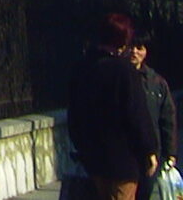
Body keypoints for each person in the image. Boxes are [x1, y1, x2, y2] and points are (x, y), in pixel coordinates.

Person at [68, 12, 158, 200]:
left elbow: (74, 114)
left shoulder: (83, 68)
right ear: (124, 40)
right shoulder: (124, 71)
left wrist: (82, 146)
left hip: (92, 158)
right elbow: (137, 115)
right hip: (122, 161)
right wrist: (149, 150)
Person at [131, 31, 177, 200]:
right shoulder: (117, 77)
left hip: (150, 154)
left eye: (139, 48)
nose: (134, 52)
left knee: (144, 193)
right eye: (131, 47)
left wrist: (170, 153)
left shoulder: (156, 82)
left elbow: (167, 119)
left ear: (146, 52)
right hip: (125, 153)